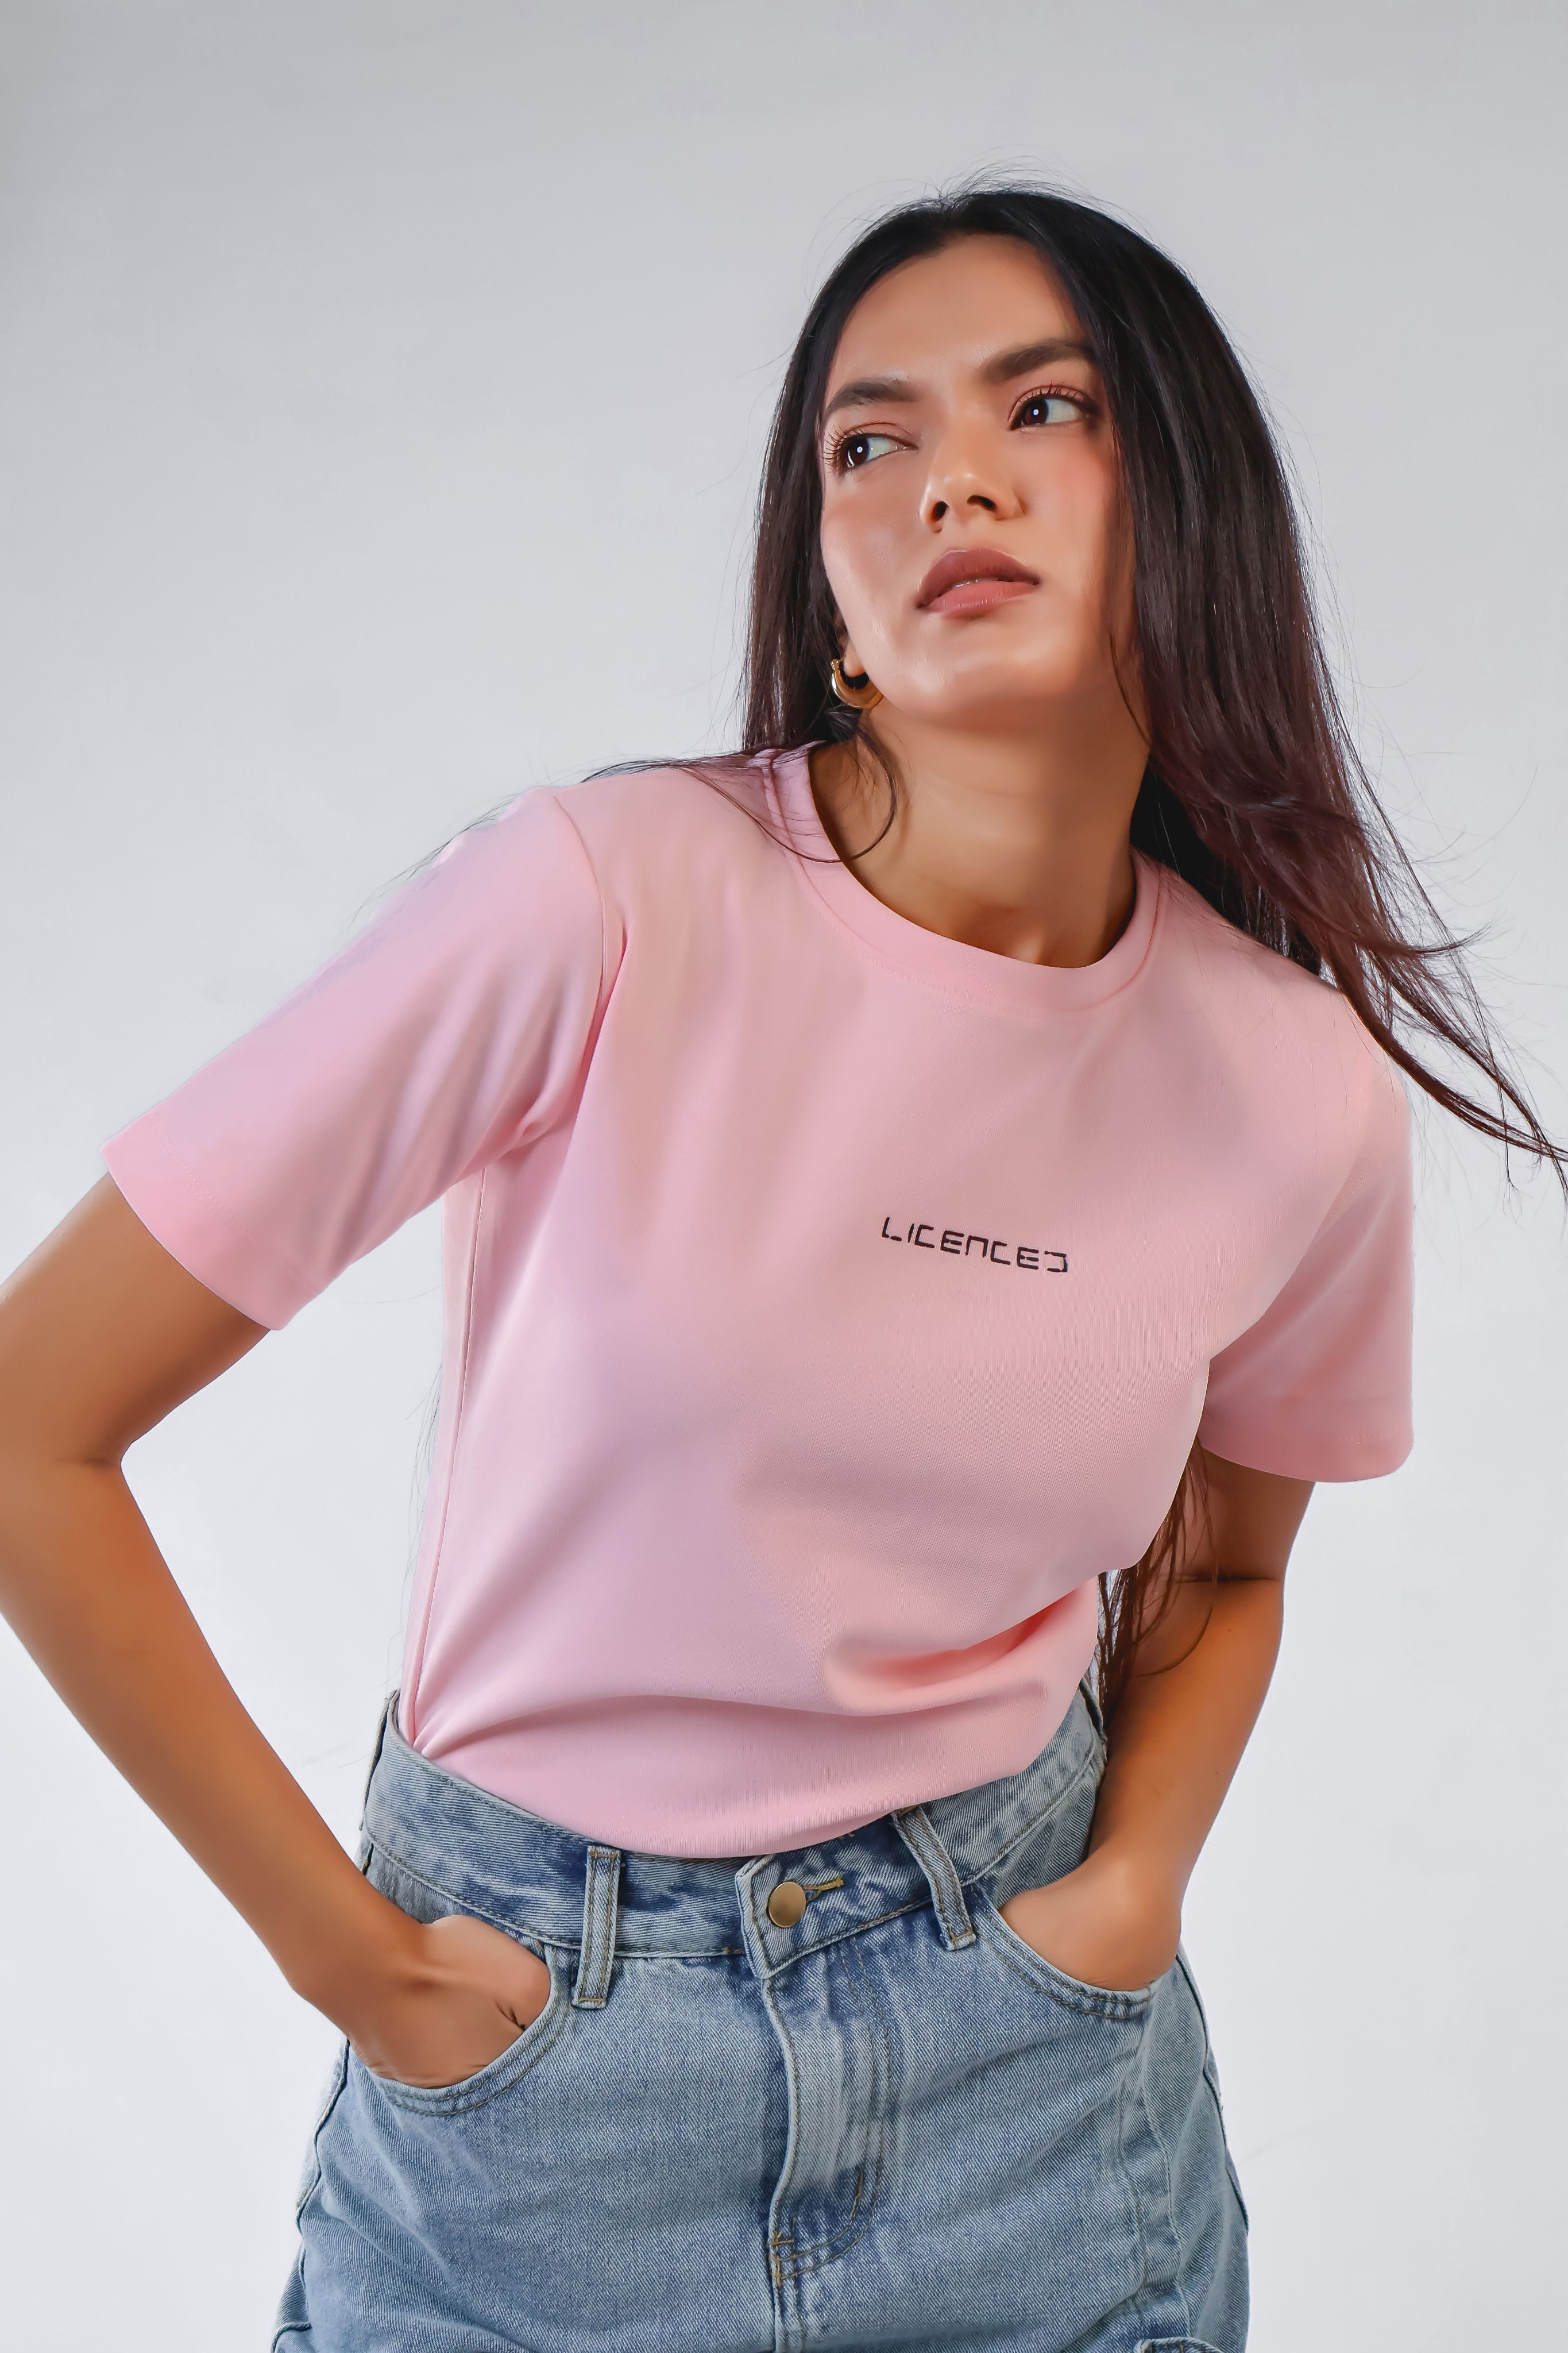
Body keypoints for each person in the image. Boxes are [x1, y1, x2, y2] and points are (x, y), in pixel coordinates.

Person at [0, 182, 1558, 2353]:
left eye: (1044, 408)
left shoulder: (1292, 1088)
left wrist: (1126, 1895)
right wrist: (355, 1966)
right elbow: (31, 1424)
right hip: (538, 2082)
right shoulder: (604, 898)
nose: (950, 482)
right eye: (869, 441)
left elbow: (1220, 1571)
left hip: (1033, 2088)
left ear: (1193, 505)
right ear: (831, 590)